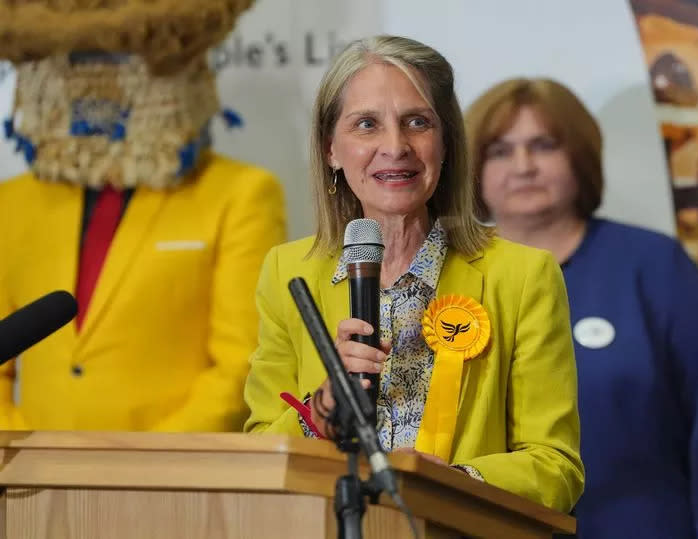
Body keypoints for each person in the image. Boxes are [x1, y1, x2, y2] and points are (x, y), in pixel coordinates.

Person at [243, 36, 584, 511]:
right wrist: (322, 406)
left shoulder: (523, 275)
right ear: (330, 150)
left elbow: (556, 467)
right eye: (366, 124)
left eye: (417, 123)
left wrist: (459, 483)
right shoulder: (287, 272)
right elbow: (259, 455)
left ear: (445, 143)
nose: (395, 147)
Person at [465, 77, 698, 538]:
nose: (523, 166)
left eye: (544, 145)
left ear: (580, 156)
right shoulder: (444, 279)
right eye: (500, 151)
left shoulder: (654, 268)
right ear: (472, 167)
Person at [0, 0, 286, 431]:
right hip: (31, 482)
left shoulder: (239, 194)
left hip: (171, 479)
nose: (101, 80)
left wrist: (143, 465)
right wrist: (26, 452)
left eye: (122, 55)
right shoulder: (12, 202)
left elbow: (242, 364)